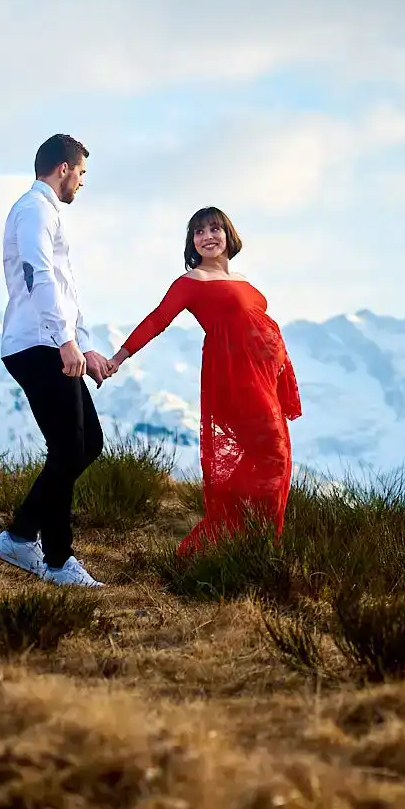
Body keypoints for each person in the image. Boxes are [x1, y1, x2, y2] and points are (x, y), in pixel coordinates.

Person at [107, 207, 301, 557]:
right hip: (235, 379)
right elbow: (157, 319)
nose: (207, 236)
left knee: (270, 459)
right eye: (198, 232)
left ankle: (237, 544)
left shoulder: (242, 280)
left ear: (229, 234)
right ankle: (248, 546)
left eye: (214, 228)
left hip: (263, 379)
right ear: (191, 243)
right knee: (275, 455)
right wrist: (119, 357)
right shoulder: (191, 282)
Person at [0, 134, 112, 588]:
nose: (81, 182)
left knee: (88, 443)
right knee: (67, 448)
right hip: (36, 345)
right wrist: (64, 342)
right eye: (80, 173)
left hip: (53, 342)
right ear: (63, 168)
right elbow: (37, 275)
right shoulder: (34, 209)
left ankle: (22, 533)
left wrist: (83, 345)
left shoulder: (46, 212)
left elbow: (62, 289)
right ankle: (58, 561)